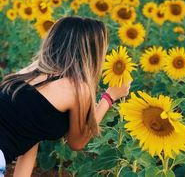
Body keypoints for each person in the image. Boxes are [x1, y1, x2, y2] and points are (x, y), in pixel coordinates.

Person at [0, 16, 131, 177]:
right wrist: (110, 97)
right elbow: (78, 142)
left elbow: (29, 140)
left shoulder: (29, 72)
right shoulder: (76, 87)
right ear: (92, 52)